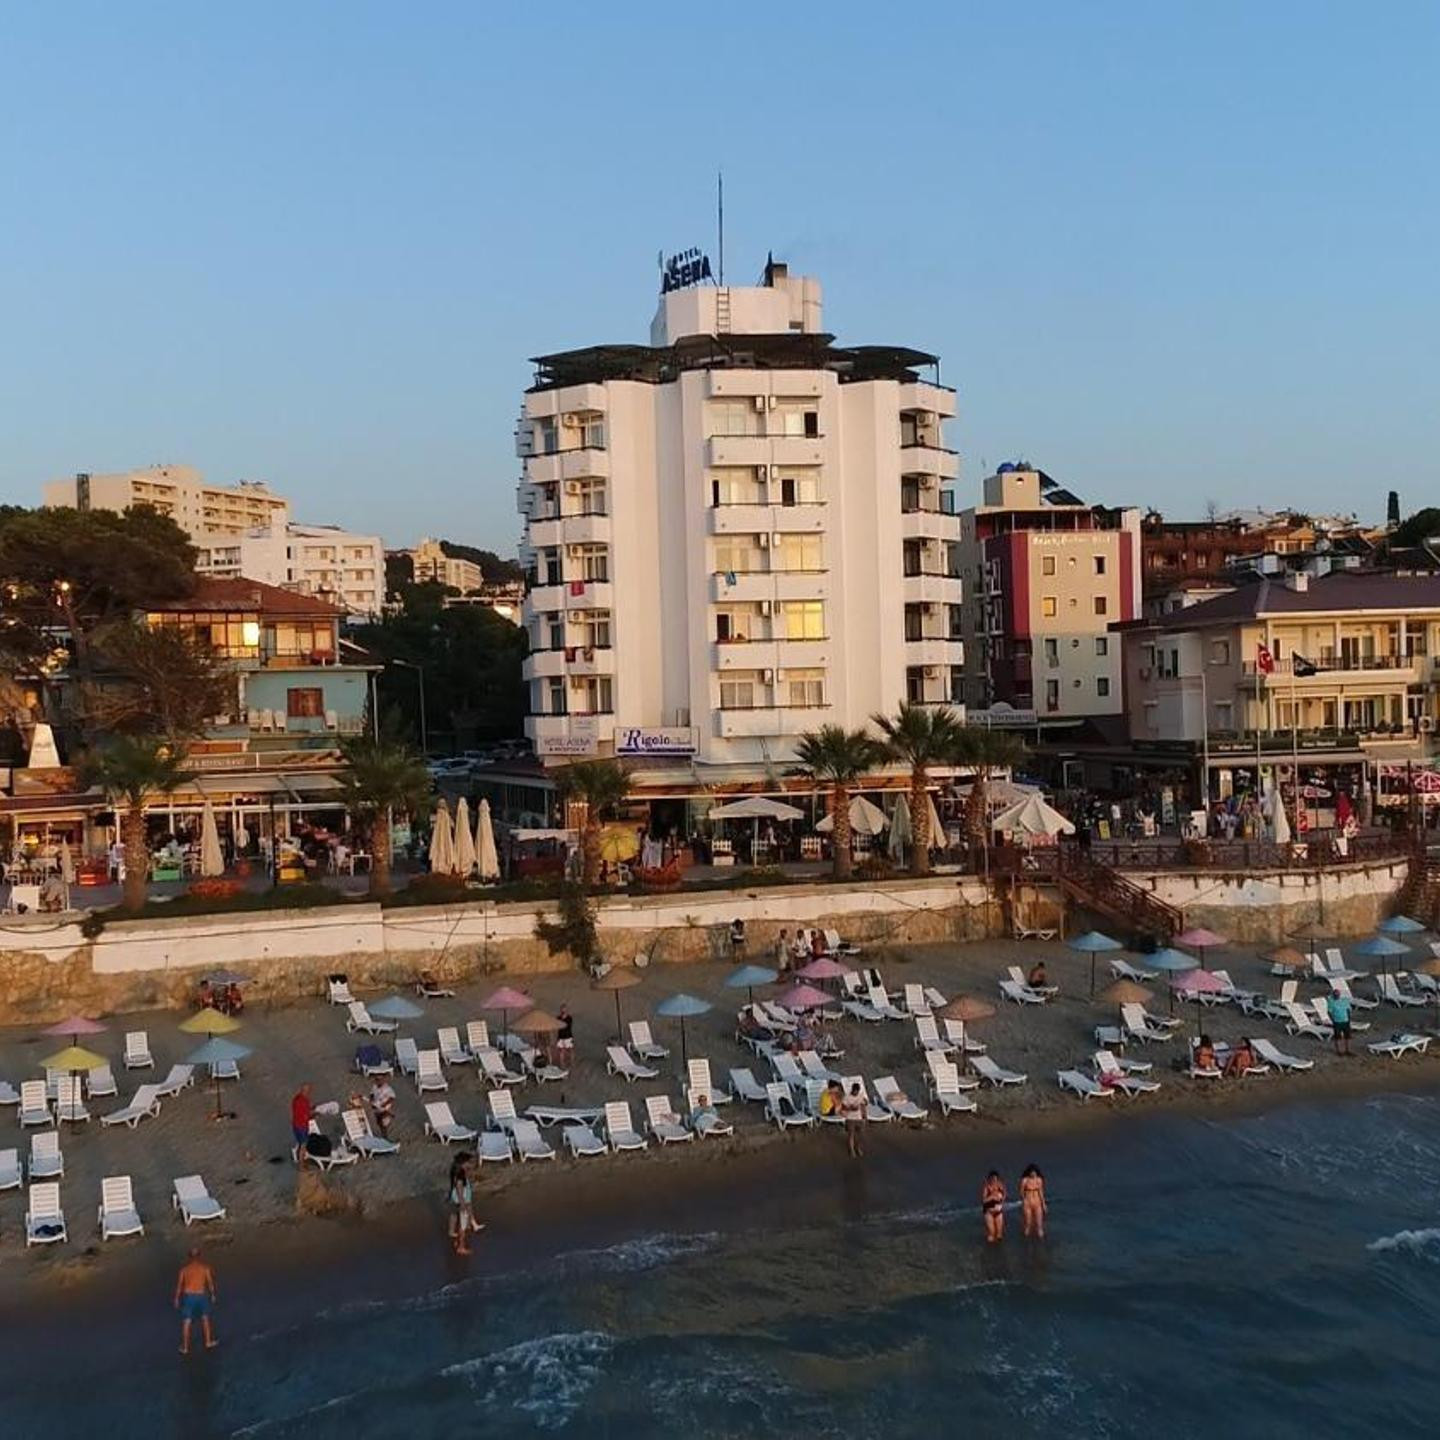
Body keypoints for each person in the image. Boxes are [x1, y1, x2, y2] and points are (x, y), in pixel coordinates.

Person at [174, 1246, 218, 1354]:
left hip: (189, 1296)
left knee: (187, 1321)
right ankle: (208, 1342)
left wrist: (176, 1298)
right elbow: (210, 1283)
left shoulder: (184, 1270)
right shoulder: (205, 1268)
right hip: (201, 1295)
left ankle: (185, 1347)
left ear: (189, 1257)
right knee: (205, 1318)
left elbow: (180, 1285)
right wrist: (213, 1294)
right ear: (199, 1256)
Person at [448, 1153, 481, 1255]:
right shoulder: (460, 1178)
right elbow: (459, 1191)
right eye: (469, 1162)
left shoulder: (458, 1173)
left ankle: (458, 1241)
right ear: (463, 1164)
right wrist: (463, 1205)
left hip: (460, 1201)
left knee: (462, 1224)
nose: (470, 1165)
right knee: (463, 1226)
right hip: (462, 1202)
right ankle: (461, 1247)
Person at [1020, 1165, 1047, 1239]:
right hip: (1027, 1203)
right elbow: (1021, 1192)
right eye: (1031, 1172)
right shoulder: (1025, 1180)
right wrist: (1024, 1200)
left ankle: (1041, 1243)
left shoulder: (1039, 1180)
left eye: (1034, 1172)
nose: (1033, 1174)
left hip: (1037, 1202)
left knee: (1039, 1225)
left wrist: (1043, 1204)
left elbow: (1041, 1192)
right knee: (1028, 1224)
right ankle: (1026, 1242)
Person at [840, 1081, 866, 1157]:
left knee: (860, 1135)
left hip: (859, 1118)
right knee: (851, 1134)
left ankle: (858, 1148)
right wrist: (851, 1108)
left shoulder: (860, 1096)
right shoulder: (846, 1097)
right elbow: (843, 1107)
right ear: (852, 1090)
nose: (856, 1093)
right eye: (855, 1092)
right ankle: (851, 1150)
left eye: (857, 1092)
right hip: (850, 1118)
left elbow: (863, 1106)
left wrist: (864, 1117)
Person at [982, 1170, 1007, 1244]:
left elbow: (1005, 1194)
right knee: (991, 1234)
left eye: (996, 1179)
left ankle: (999, 1251)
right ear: (990, 1179)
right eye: (992, 1179)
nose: (994, 1181)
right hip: (989, 1212)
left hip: (998, 1211)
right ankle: (989, 1250)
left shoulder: (1000, 1185)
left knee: (999, 1234)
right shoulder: (987, 1187)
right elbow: (984, 1201)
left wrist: (1002, 1200)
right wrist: (992, 1197)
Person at [290, 1083, 313, 1164]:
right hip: (300, 1125)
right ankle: (301, 1163)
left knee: (303, 1143)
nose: (307, 1092)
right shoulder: (300, 1101)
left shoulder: (301, 1099)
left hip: (302, 1125)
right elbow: (302, 1114)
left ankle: (302, 1159)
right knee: (303, 1144)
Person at [1326, 986, 1353, 1056]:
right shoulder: (1331, 1002)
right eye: (1335, 994)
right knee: (1338, 1037)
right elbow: (1329, 1012)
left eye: (1337, 994)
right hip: (1337, 1021)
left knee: (1348, 1036)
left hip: (1345, 1020)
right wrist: (1333, 1020)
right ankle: (1339, 1051)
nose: (1336, 995)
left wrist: (1349, 1019)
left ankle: (1348, 1050)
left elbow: (1348, 1010)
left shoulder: (1344, 1000)